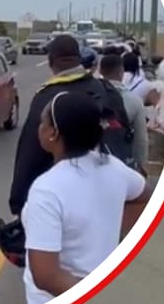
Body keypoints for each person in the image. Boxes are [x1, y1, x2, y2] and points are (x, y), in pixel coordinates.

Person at [20, 91, 154, 304]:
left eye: (42, 122)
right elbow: (143, 197)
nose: (39, 127)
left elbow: (46, 276)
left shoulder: (47, 189)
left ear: (52, 133)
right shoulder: (113, 167)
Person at [8, 34, 135, 216]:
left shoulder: (47, 97)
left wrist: (18, 201)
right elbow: (128, 133)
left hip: (66, 199)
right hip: (112, 190)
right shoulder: (105, 89)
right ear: (79, 59)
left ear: (51, 62)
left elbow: (30, 151)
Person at [99, 53, 149, 176]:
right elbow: (141, 138)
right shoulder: (134, 100)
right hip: (122, 161)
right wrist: (141, 164)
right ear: (121, 71)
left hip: (94, 160)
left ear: (100, 71)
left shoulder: (91, 95)